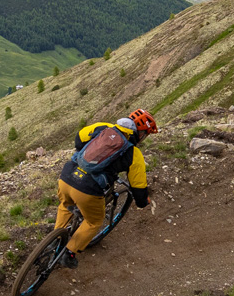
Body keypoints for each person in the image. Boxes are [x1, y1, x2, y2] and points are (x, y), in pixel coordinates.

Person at [54, 109, 157, 268]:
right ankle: (69, 252)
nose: (144, 138)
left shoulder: (104, 127)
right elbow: (138, 186)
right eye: (145, 134)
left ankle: (55, 240)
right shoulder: (134, 153)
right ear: (140, 133)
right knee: (94, 221)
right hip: (87, 189)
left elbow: (78, 140)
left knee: (66, 205)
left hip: (67, 176)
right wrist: (143, 201)